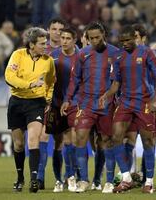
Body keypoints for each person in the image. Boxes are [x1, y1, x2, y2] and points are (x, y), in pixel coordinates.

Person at [99, 25, 156, 193]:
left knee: (148, 141)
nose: (125, 43)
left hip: (144, 102)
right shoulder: (118, 57)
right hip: (125, 102)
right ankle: (126, 177)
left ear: (135, 39)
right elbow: (116, 83)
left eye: (128, 40)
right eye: (122, 41)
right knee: (116, 137)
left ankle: (149, 182)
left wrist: (155, 99)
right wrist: (106, 95)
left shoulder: (147, 53)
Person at [61, 22, 119, 193]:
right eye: (91, 38)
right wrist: (67, 99)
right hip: (86, 104)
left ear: (104, 35)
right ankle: (84, 180)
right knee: (80, 137)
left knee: (106, 141)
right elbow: (75, 79)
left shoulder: (115, 53)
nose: (94, 41)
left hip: (107, 104)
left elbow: (119, 80)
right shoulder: (83, 54)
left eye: (97, 38)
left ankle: (108, 181)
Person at [5, 27, 56, 193]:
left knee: (33, 139)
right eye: (42, 43)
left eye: (46, 42)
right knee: (19, 144)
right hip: (17, 103)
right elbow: (9, 76)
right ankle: (20, 178)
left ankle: (34, 180)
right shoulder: (17, 55)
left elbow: (51, 81)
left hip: (36, 104)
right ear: (32, 44)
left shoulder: (48, 61)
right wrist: (29, 84)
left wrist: (47, 98)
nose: (46, 46)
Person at [44, 27, 80, 193]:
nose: (64, 41)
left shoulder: (80, 57)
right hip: (56, 104)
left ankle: (71, 177)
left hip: (73, 104)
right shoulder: (53, 57)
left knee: (69, 140)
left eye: (67, 38)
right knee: (58, 143)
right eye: (62, 38)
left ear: (74, 40)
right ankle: (58, 180)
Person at [37, 18, 66, 190]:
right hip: (45, 101)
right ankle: (40, 177)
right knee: (43, 136)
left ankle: (59, 178)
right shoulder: (42, 50)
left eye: (60, 29)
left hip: (63, 101)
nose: (57, 32)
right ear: (48, 30)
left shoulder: (71, 50)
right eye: (53, 28)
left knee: (60, 141)